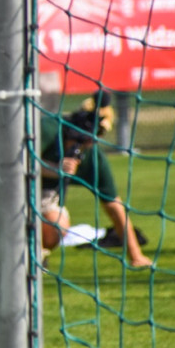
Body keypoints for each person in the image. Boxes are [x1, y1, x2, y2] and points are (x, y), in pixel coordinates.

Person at [40, 92, 152, 268]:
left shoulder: (92, 158)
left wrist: (135, 255)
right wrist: (54, 169)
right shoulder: (47, 130)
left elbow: (115, 207)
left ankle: (37, 252)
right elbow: (17, 165)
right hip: (5, 183)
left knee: (58, 224)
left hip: (43, 197)